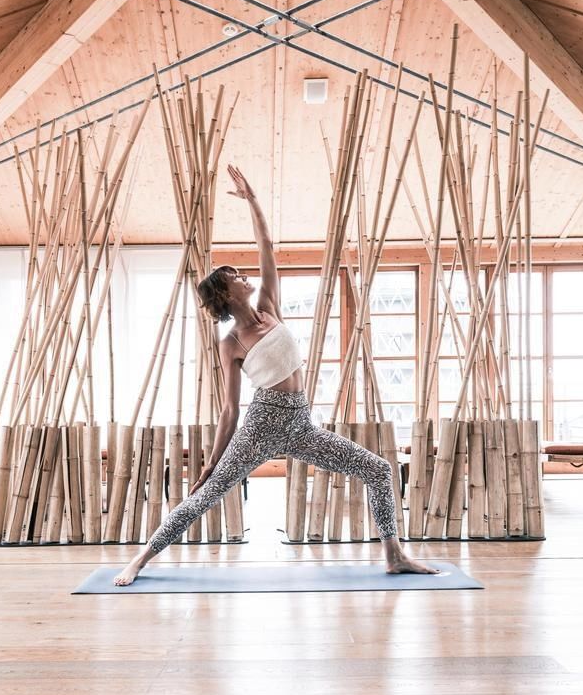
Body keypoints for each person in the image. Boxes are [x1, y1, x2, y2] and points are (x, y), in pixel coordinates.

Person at [113, 164, 438, 585]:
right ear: (224, 293)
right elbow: (230, 409)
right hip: (260, 426)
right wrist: (212, 462)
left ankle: (395, 556)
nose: (243, 276)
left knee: (377, 469)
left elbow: (266, 245)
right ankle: (140, 560)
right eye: (234, 277)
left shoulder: (269, 306)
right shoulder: (231, 342)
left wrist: (251, 200)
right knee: (205, 496)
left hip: (300, 424)